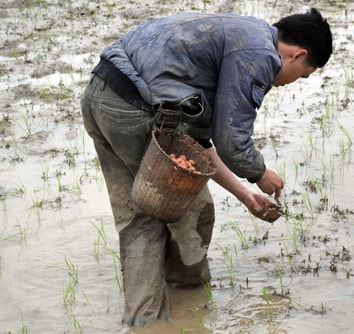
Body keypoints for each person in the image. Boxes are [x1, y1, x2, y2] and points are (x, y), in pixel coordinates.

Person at [81, 7, 332, 328]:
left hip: (100, 94)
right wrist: (259, 174)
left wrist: (245, 196)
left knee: (152, 211)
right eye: (304, 75)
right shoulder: (260, 55)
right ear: (298, 55)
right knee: (166, 213)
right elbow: (230, 141)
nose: (293, 83)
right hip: (133, 109)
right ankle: (160, 314)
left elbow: (199, 147)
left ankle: (169, 309)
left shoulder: (241, 33)